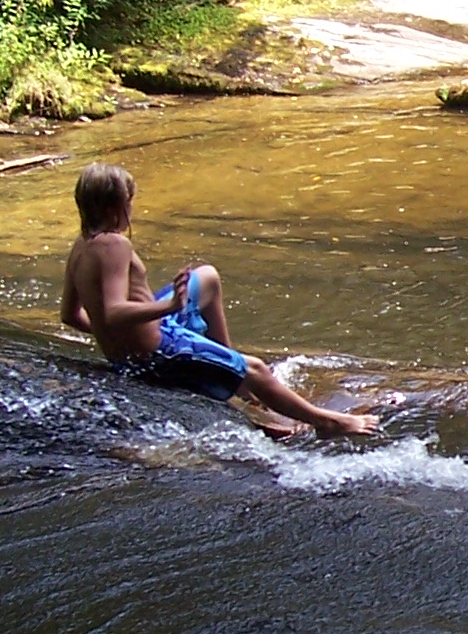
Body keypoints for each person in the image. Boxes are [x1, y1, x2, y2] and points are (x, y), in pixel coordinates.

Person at [58, 163, 377, 439]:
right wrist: (168, 308)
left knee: (207, 277)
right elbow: (113, 311)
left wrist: (115, 339)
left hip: (143, 340)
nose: (131, 209)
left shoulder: (81, 246)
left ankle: (228, 368)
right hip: (158, 351)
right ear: (113, 207)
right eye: (129, 201)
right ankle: (327, 422)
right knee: (256, 369)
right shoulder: (114, 244)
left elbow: (70, 315)